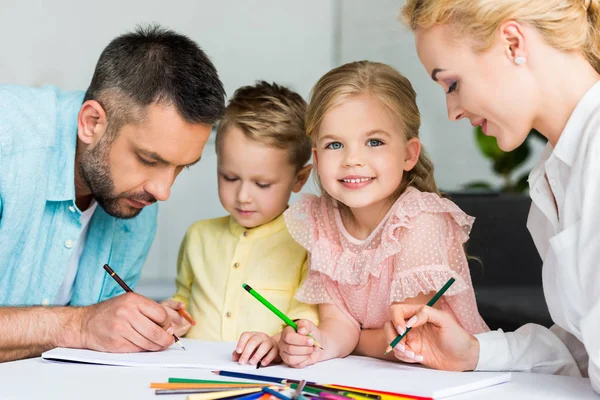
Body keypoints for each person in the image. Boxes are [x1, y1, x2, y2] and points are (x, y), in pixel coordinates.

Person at [387, 0, 600, 393]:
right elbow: (585, 350)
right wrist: (471, 353)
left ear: (513, 43)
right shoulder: (559, 169)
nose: (451, 111)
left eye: (451, 84)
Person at [0, 24, 225, 361]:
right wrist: (78, 327)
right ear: (91, 122)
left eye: (182, 167)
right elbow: (80, 329)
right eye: (149, 159)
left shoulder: (134, 200)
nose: (163, 191)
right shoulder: (8, 147)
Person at [277, 61, 488, 368]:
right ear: (317, 157)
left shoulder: (421, 219)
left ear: (408, 154)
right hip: (379, 376)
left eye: (374, 142)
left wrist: (352, 341)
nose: (352, 160)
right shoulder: (321, 219)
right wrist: (317, 344)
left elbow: (403, 337)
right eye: (335, 144)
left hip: (450, 379)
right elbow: (339, 321)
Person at [162, 81, 318, 368]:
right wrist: (172, 316)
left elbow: (306, 323)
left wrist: (276, 342)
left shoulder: (309, 243)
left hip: (266, 381)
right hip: (191, 373)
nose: (243, 196)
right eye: (230, 178)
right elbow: (182, 298)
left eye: (262, 184)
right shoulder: (199, 236)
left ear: (299, 179)